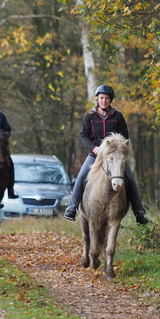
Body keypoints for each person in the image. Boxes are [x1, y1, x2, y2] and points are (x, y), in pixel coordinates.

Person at [63, 84, 149, 225]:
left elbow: (124, 136)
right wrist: (94, 148)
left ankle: (139, 212)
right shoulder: (89, 116)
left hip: (115, 157)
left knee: (130, 179)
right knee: (81, 177)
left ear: (110, 100)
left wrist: (118, 150)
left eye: (107, 98)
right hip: (95, 155)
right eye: (101, 98)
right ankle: (72, 208)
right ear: (97, 99)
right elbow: (84, 135)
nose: (104, 101)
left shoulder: (118, 116)